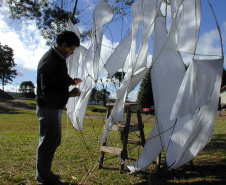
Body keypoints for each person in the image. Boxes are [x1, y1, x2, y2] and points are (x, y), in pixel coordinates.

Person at [36, 31, 82, 185]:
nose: (72, 53)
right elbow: (47, 91)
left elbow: (60, 77)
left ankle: (46, 174)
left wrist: (71, 81)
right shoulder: (49, 62)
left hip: (54, 108)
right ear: (64, 45)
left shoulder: (59, 58)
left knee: (54, 141)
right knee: (47, 143)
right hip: (48, 108)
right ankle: (43, 179)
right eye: (71, 49)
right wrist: (70, 95)